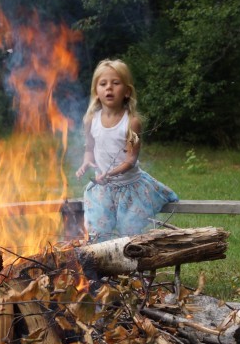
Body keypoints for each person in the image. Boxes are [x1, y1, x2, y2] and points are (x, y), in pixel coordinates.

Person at [74, 59, 178, 242]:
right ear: (96, 91)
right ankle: (101, 267)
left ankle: (131, 267)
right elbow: (89, 149)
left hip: (129, 189)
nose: (109, 88)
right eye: (103, 84)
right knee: (98, 232)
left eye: (116, 83)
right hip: (102, 189)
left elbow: (130, 160)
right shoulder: (90, 120)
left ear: (127, 91)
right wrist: (86, 163)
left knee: (129, 235)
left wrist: (110, 173)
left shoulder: (131, 122)